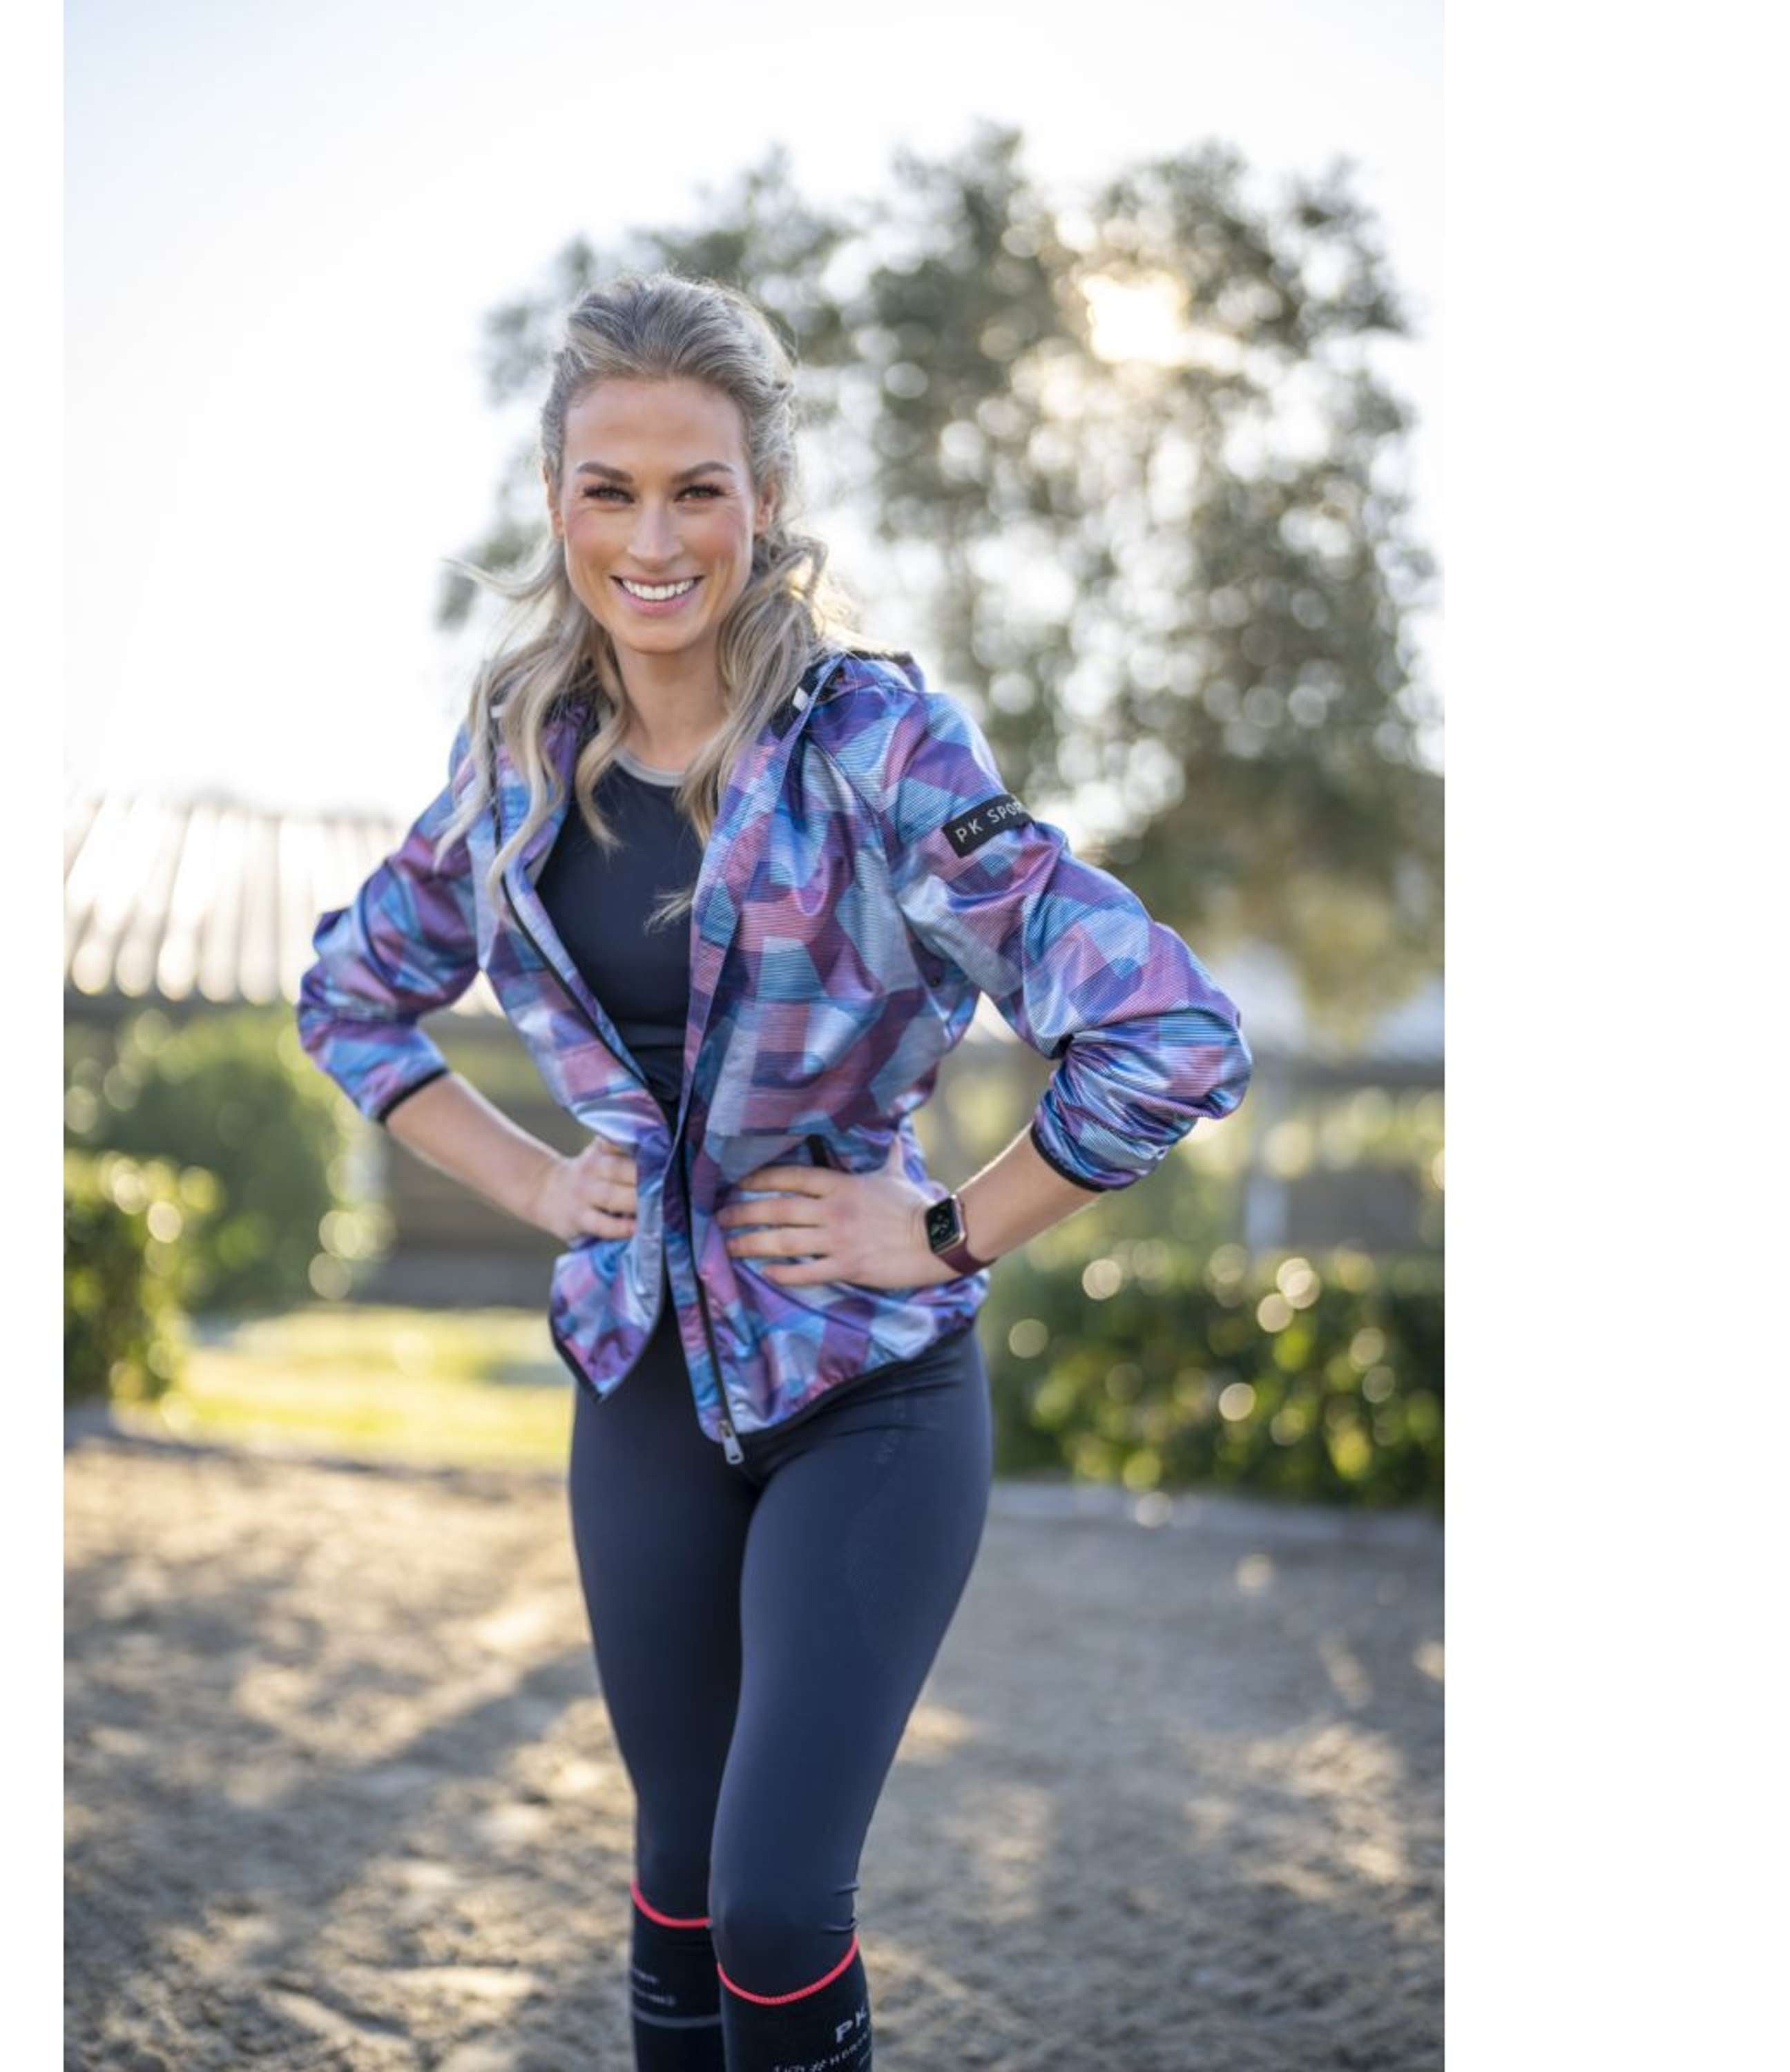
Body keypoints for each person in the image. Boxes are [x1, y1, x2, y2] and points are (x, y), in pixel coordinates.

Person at [298, 271, 1253, 2072]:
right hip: (641, 1381)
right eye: (609, 489)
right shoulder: (513, 763)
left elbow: (1168, 1033)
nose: (653, 540)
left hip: (866, 1393)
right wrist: (537, 1188)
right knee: (675, 1871)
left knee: (776, 1901)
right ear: (556, 497)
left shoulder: (878, 749)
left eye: (699, 490)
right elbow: (351, 999)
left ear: (769, 498)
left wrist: (947, 1227)